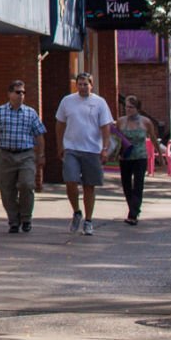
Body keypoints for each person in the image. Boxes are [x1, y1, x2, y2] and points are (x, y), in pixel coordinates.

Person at [55, 72, 118, 235]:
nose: (83, 87)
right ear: (76, 85)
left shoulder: (99, 102)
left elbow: (106, 127)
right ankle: (76, 211)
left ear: (92, 85)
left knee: (89, 186)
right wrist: (60, 145)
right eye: (80, 84)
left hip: (92, 149)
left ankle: (88, 220)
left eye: (86, 84)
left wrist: (104, 148)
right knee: (70, 179)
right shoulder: (67, 101)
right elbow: (60, 124)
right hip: (71, 148)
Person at [0, 79, 46, 233]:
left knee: (27, 185)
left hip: (26, 155)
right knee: (7, 189)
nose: (21, 95)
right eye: (18, 92)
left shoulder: (30, 113)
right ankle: (13, 220)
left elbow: (40, 135)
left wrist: (41, 154)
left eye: (23, 92)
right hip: (5, 154)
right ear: (10, 94)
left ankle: (26, 218)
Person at [115, 95, 159, 225]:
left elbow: (153, 138)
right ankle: (133, 208)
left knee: (138, 185)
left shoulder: (145, 122)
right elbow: (117, 139)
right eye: (127, 107)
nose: (128, 110)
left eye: (131, 107)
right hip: (125, 157)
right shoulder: (121, 121)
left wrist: (160, 156)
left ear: (137, 108)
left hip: (140, 157)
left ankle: (133, 215)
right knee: (126, 185)